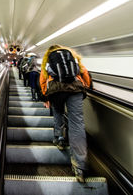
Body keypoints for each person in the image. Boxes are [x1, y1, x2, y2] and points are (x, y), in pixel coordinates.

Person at [39, 45, 92, 182]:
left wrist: (45, 95)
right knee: (77, 124)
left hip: (56, 90)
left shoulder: (48, 60)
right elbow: (84, 72)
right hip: (75, 89)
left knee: (58, 112)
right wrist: (85, 85)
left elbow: (43, 78)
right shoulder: (72, 57)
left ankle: (59, 138)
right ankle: (80, 166)